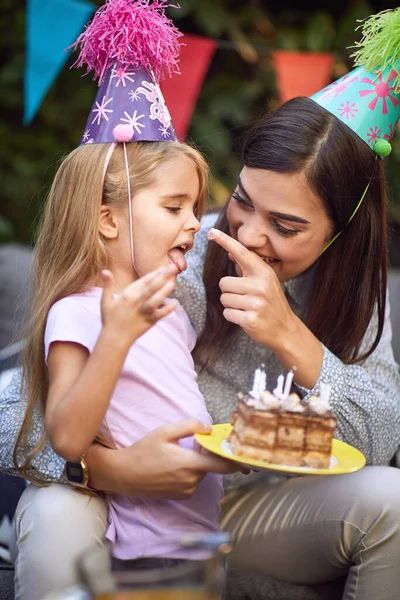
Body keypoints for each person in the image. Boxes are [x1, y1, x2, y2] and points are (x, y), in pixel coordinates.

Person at [2, 6, 400, 600]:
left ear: (340, 234)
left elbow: (380, 436)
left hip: (249, 510)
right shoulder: (172, 256)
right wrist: (107, 468)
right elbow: (14, 411)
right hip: (126, 503)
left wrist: (290, 334)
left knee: (390, 500)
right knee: (58, 510)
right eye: (243, 201)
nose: (247, 235)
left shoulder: (354, 295)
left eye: (286, 226)